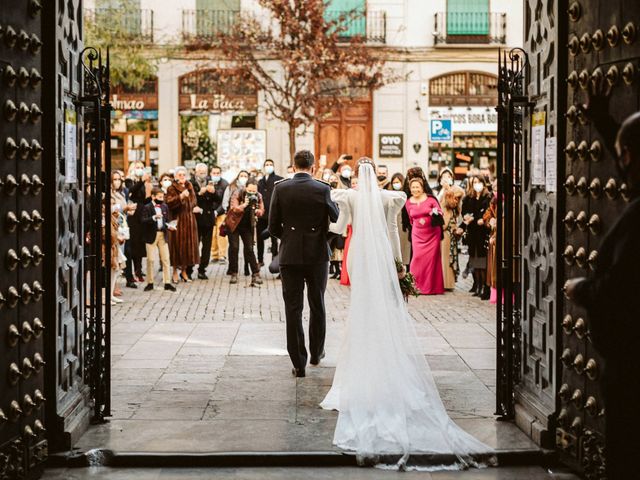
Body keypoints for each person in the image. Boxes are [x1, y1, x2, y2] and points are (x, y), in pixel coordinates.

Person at [320, 160, 490, 464]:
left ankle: (357, 363)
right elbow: (394, 234)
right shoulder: (390, 198)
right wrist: (399, 267)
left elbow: (336, 226)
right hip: (382, 252)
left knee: (360, 303)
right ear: (378, 174)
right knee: (381, 303)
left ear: (357, 176)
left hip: (357, 250)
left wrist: (322, 222)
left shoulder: (349, 197)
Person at [564, 111, 640, 480]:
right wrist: (608, 126)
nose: (621, 164)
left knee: (626, 453)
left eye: (624, 155)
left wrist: (584, 290)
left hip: (631, 365)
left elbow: (623, 287)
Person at [269, 150, 339, 378]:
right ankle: (317, 352)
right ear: (312, 166)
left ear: (294, 165)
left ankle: (299, 363)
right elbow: (335, 216)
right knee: (317, 303)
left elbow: (272, 226)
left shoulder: (280, 187)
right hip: (317, 254)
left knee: (293, 308)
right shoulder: (322, 188)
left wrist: (289, 239)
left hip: (290, 254)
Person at [405, 177, 445, 295]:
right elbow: (410, 219)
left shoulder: (431, 199)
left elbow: (439, 211)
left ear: (422, 188)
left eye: (417, 187)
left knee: (431, 261)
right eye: (413, 187)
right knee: (417, 258)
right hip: (417, 233)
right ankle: (414, 285)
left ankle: (430, 288)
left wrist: (435, 212)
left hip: (432, 233)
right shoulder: (408, 202)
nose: (415, 189)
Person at [225, 178, 265, 286]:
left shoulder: (259, 196)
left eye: (254, 191)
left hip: (247, 225)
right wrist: (244, 204)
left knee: (249, 248)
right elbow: (234, 208)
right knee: (234, 247)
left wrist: (258, 212)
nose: (252, 193)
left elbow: (262, 209)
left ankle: (256, 274)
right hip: (234, 224)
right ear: (246, 187)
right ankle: (234, 272)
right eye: (250, 191)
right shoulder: (238, 193)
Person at [458, 176, 491, 300]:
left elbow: (485, 213)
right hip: (472, 232)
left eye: (478, 182)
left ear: (483, 183)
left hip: (482, 233)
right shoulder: (469, 198)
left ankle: (484, 286)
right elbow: (465, 212)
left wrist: (476, 218)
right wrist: (466, 218)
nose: (476, 184)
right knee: (474, 259)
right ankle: (477, 285)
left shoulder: (487, 198)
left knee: (482, 260)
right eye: (474, 182)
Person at [166, 166, 200, 283]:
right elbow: (169, 203)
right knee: (176, 246)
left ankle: (184, 271)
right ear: (175, 177)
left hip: (190, 220)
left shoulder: (190, 187)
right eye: (179, 175)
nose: (182, 177)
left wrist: (195, 207)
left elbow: (194, 201)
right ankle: (175, 271)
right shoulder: (171, 188)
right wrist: (180, 197)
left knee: (188, 247)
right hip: (178, 220)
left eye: (184, 175)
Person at [141, 188, 176, 292]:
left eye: (162, 197)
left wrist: (169, 226)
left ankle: (167, 282)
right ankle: (150, 282)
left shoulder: (165, 206)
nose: (162, 199)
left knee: (166, 259)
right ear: (153, 196)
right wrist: (153, 218)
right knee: (151, 259)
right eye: (159, 197)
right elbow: (142, 220)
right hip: (151, 235)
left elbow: (166, 220)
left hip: (162, 234)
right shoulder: (147, 207)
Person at [124, 162, 151, 288]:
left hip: (141, 213)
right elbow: (130, 192)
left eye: (142, 168)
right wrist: (141, 182)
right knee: (133, 243)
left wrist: (151, 198)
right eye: (137, 168)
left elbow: (143, 200)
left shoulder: (143, 183)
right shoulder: (129, 180)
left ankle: (139, 270)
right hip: (132, 214)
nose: (140, 170)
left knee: (140, 242)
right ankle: (130, 272)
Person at [437, 168, 465, 290]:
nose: (446, 178)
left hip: (448, 226)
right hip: (438, 225)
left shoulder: (457, 190)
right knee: (440, 255)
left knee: (447, 255)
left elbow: (452, 204)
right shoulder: (438, 191)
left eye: (448, 176)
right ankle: (439, 281)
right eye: (443, 176)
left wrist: (448, 189)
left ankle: (448, 283)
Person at [191, 163, 217, 279]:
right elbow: (189, 199)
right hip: (195, 219)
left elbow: (218, 199)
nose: (203, 175)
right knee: (194, 245)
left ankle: (202, 269)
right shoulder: (190, 183)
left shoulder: (211, 182)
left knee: (207, 247)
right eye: (200, 172)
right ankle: (189, 268)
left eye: (204, 172)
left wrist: (213, 192)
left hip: (208, 218)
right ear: (196, 172)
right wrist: (199, 193)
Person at [257, 159, 283, 267]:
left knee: (274, 239)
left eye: (270, 164)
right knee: (259, 238)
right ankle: (260, 260)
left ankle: (275, 260)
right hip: (262, 215)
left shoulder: (278, 180)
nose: (269, 166)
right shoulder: (260, 181)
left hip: (273, 215)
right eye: (267, 165)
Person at [390, 173, 411, 268]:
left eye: (398, 182)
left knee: (405, 248)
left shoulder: (406, 194)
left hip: (403, 225)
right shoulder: (389, 194)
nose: (396, 184)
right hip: (393, 224)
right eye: (394, 182)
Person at [209, 165, 229, 264]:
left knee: (221, 234)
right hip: (210, 213)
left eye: (218, 173)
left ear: (220, 174)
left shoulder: (225, 184)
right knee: (212, 235)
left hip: (221, 212)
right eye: (214, 173)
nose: (216, 175)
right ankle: (214, 255)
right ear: (210, 173)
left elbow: (225, 200)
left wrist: (217, 211)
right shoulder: (208, 183)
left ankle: (222, 255)